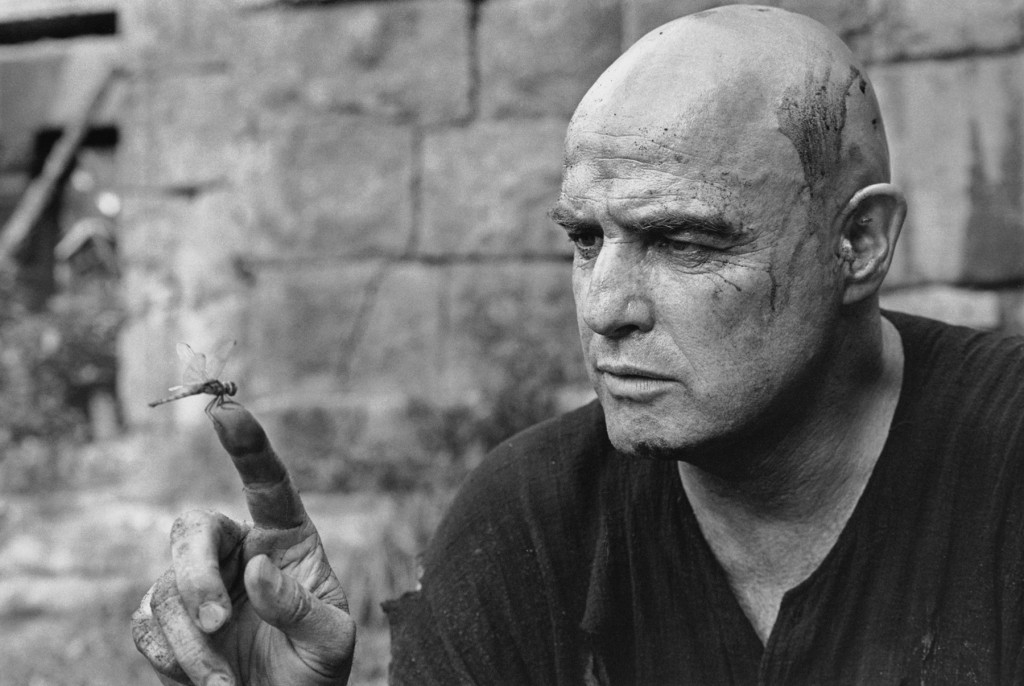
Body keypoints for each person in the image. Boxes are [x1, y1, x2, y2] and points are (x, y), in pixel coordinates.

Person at [132, 5, 1024, 685]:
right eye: (586, 239)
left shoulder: (1002, 464)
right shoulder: (530, 520)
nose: (605, 308)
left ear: (858, 245)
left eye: (683, 241)